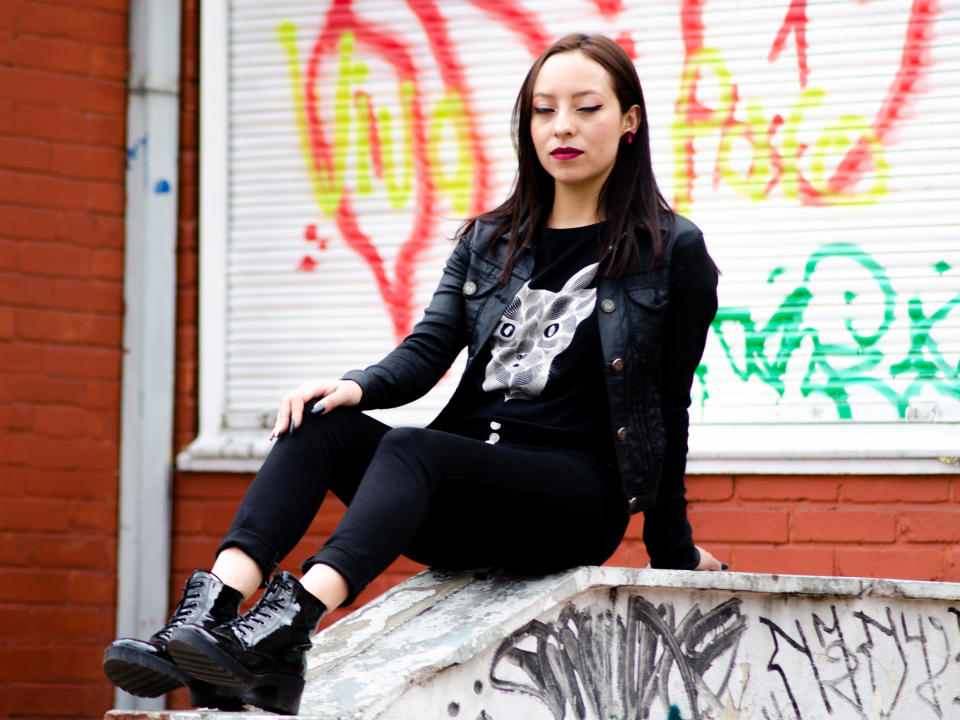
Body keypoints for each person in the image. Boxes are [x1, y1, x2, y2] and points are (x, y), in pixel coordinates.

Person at [103, 32, 724, 716]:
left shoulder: (672, 251)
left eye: (586, 107)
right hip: (462, 489)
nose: (562, 127)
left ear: (629, 119)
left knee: (412, 447)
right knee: (320, 423)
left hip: (572, 502)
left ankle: (289, 627)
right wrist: (356, 386)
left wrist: (673, 551)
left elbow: (667, 410)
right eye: (544, 110)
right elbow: (429, 349)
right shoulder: (490, 239)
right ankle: (204, 619)